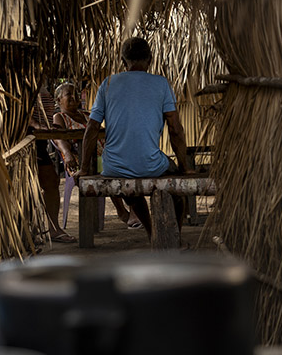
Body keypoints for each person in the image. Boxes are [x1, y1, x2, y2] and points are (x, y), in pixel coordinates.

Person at [76, 37, 189, 240]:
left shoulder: (108, 83)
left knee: (132, 191)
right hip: (151, 165)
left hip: (114, 167)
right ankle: (175, 238)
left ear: (122, 61)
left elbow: (92, 128)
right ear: (151, 59)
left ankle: (151, 234)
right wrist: (185, 167)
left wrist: (84, 169)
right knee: (178, 189)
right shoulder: (161, 83)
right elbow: (175, 130)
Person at [51, 82, 141, 229]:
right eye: (69, 94)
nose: (74, 97)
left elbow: (103, 132)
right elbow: (58, 137)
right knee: (109, 168)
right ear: (59, 100)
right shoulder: (59, 117)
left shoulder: (87, 114)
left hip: (104, 155)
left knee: (129, 164)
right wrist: (67, 154)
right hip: (81, 161)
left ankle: (133, 210)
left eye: (75, 93)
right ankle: (122, 211)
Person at [31, 82, 75, 243]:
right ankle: (28, 231)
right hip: (27, 138)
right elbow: (18, 107)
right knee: (30, 186)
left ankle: (53, 228)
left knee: (51, 182)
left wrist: (48, 127)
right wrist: (36, 125)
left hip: (40, 140)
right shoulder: (23, 79)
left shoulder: (39, 82)